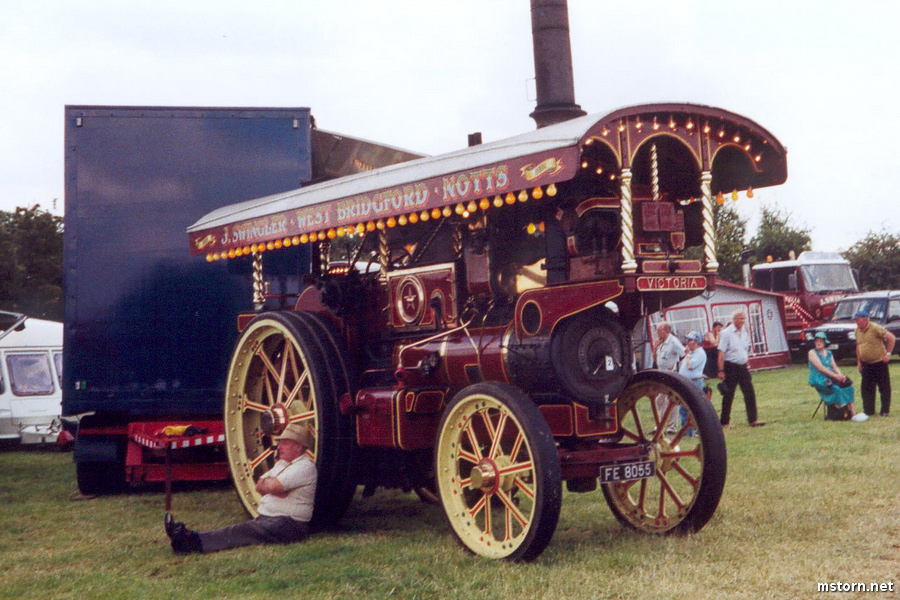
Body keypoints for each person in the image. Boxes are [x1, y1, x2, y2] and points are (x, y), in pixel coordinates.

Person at [165, 423, 317, 554]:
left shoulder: (304, 467)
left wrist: (273, 487)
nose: (279, 447)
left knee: (243, 530)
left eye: (285, 443)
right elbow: (259, 485)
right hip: (273, 519)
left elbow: (274, 485)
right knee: (242, 529)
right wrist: (277, 490)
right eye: (280, 442)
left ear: (298, 447)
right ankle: (190, 538)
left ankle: (193, 542)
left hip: (290, 525)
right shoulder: (282, 464)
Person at [717, 310, 765, 428]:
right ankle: (724, 422)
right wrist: (721, 370)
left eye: (744, 319)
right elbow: (721, 353)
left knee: (749, 392)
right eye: (740, 318)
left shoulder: (744, 332)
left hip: (742, 367)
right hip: (731, 366)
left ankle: (753, 419)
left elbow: (745, 349)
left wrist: (747, 362)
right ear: (734, 319)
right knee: (729, 394)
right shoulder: (726, 333)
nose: (742, 321)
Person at [855, 309, 895, 416]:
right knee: (866, 388)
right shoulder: (857, 331)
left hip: (879, 362)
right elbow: (858, 346)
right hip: (866, 364)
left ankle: (885, 410)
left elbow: (891, 337)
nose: (856, 322)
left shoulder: (875, 328)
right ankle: (869, 410)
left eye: (857, 320)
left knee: (884, 387)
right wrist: (859, 362)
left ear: (865, 320)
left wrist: (888, 354)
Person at [808, 331, 857, 419]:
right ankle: (843, 412)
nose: (818, 343)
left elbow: (834, 367)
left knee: (848, 385)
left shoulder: (829, 353)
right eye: (816, 341)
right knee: (836, 388)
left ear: (824, 343)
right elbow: (820, 368)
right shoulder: (812, 352)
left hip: (831, 376)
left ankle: (853, 412)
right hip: (819, 378)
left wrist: (841, 376)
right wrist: (835, 376)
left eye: (821, 341)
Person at [653, 321, 684, 433]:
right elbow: (656, 359)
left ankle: (672, 427)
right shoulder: (660, 342)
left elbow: (684, 354)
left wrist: (677, 367)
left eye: (659, 330)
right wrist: (655, 348)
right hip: (661, 375)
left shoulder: (673, 342)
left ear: (666, 330)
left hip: (671, 375)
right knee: (659, 400)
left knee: (671, 400)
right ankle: (660, 425)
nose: (657, 332)